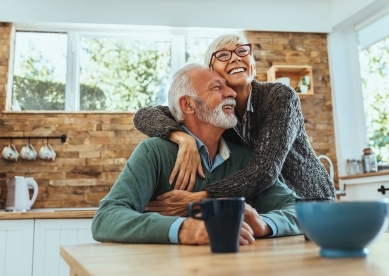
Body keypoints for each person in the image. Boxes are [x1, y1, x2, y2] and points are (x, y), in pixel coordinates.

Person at [92, 64, 301, 245]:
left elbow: (298, 210)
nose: (232, 93)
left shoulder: (245, 159)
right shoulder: (154, 152)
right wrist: (186, 229)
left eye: (228, 87)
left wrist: (264, 224)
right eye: (217, 87)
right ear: (188, 105)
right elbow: (106, 218)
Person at [133, 34, 336, 208]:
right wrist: (183, 139)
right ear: (211, 71)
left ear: (253, 65)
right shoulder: (215, 112)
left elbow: (264, 170)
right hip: (266, 205)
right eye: (223, 55)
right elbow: (144, 115)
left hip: (308, 200)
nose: (235, 58)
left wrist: (204, 197)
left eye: (242, 52)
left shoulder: (279, 97)